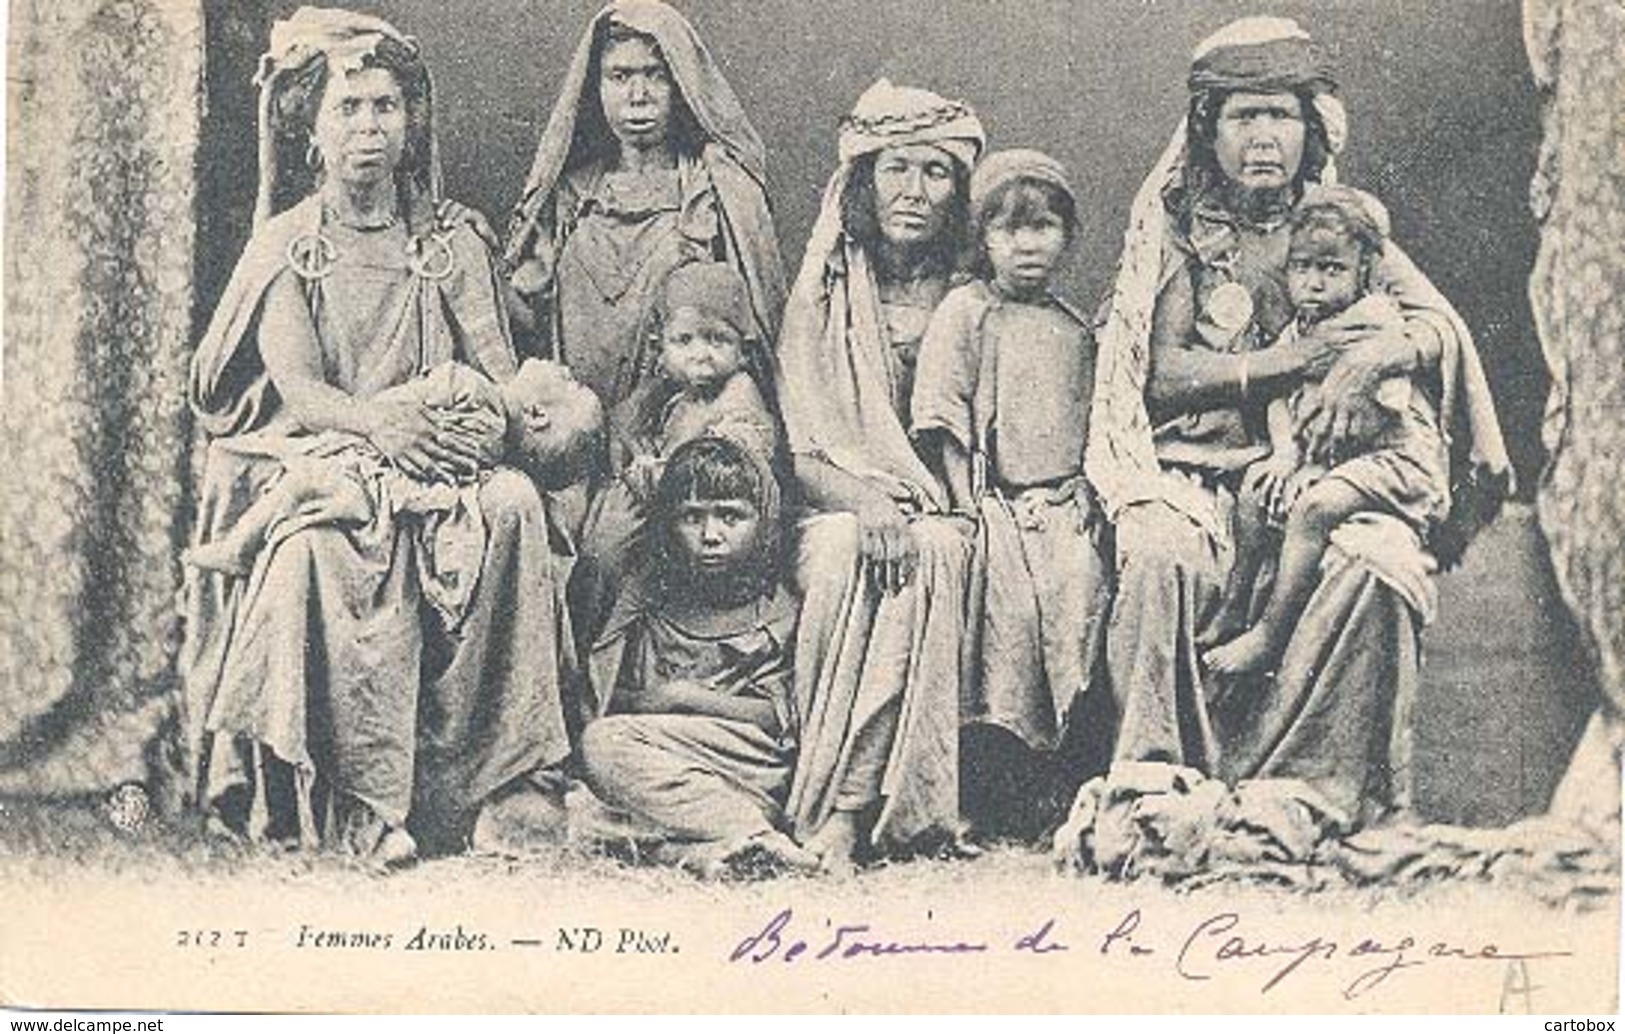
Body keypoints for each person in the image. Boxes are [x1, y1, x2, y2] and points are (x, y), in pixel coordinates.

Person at [182, 8, 585, 865]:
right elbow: (302, 391)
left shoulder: (450, 241)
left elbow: (496, 367)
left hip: (439, 457)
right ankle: (360, 803)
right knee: (322, 553)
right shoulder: (287, 248)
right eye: (349, 109)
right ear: (312, 130)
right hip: (335, 452)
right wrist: (382, 426)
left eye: (386, 108)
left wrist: (523, 419)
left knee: (513, 504)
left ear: (411, 123)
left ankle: (496, 784)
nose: (369, 128)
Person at [1086, 16, 1510, 824]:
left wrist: (1374, 358)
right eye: (1242, 117)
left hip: (1324, 467)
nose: (1261, 138)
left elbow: (1435, 327)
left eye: (1279, 116)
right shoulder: (1181, 232)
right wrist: (1302, 363)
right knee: (1158, 550)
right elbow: (1162, 376)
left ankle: (1310, 789)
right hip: (1197, 470)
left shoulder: (1338, 224)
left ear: (1310, 128)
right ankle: (1154, 775)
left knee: (1380, 560)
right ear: (1206, 130)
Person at [775, 79, 984, 872]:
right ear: (863, 181)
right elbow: (803, 453)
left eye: (936, 173)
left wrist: (924, 510)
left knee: (932, 554)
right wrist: (870, 502)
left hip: (952, 510)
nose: (914, 191)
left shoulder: (975, 295)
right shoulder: (822, 295)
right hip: (839, 500)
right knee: (837, 554)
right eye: (896, 169)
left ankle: (862, 807)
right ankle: (822, 796)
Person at [910, 149, 1111, 767]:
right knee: (1010, 612)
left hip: (1063, 502)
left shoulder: (1076, 329)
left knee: (1080, 588)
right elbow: (943, 411)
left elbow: (1096, 424)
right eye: (1010, 228)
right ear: (984, 237)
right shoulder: (967, 312)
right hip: (992, 500)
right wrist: (967, 504)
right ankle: (1001, 759)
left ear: (1067, 236)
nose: (1028, 245)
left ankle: (1066, 756)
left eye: (1044, 227)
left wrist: (1087, 483)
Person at [1206, 186, 1450, 676]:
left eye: (1332, 269)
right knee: (1255, 491)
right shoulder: (1303, 326)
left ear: (1364, 271)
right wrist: (1284, 454)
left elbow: (1376, 414)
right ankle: (1233, 608)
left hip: (1393, 460)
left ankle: (1271, 636)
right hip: (1331, 459)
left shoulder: (1373, 324)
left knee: (1315, 508)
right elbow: (1277, 391)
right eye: (1303, 267)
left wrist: (1316, 467)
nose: (1314, 282)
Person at [503, 0, 786, 407]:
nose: (639, 96)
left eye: (655, 76)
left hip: (681, 429)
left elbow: (756, 337)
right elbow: (527, 323)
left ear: (682, 86)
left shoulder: (716, 191)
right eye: (619, 76)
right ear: (595, 87)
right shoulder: (569, 196)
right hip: (575, 429)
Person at [183, 360, 604, 625]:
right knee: (298, 480)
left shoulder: (476, 396)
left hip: (372, 469)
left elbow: (402, 410)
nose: (567, 371)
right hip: (381, 468)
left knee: (300, 483)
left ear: (535, 414)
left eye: (572, 385)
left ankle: (238, 547)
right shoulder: (490, 435)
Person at [579, 432, 819, 878]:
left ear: (763, 521)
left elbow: (783, 716)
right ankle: (712, 851)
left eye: (731, 516)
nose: (711, 535)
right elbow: (607, 692)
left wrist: (684, 697)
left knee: (604, 753)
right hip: (658, 764)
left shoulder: (778, 605)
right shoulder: (648, 597)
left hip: (749, 764)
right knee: (582, 800)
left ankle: (751, 834)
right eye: (692, 517)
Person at [578, 262, 777, 646]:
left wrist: (649, 473)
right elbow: (628, 426)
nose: (700, 355)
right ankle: (593, 654)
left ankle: (600, 653)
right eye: (683, 341)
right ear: (660, 346)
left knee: (612, 555)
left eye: (716, 340)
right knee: (602, 548)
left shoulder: (738, 392)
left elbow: (723, 464)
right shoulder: (674, 397)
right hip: (669, 512)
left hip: (707, 514)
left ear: (743, 351)